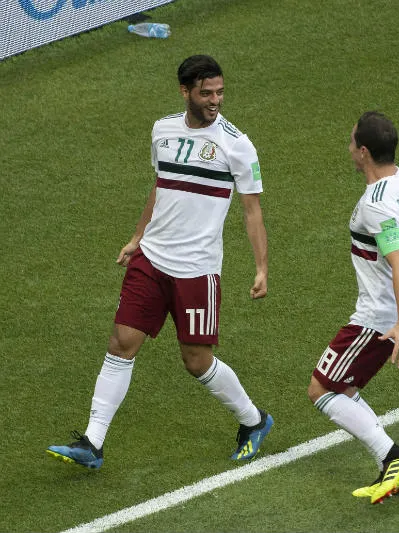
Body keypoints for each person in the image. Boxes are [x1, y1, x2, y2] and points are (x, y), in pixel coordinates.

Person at [47, 55, 273, 469]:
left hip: (197, 271)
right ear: (185, 92)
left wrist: (261, 267)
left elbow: (252, 210)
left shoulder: (236, 144)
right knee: (121, 343)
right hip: (151, 258)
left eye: (220, 92)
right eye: (206, 93)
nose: (215, 100)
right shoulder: (163, 130)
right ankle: (92, 443)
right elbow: (161, 187)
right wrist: (137, 237)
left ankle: (254, 420)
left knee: (196, 361)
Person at [307, 111, 399, 504]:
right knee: (344, 385)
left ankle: (393, 458)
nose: (348, 148)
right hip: (392, 310)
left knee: (322, 389)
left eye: (351, 142)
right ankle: (392, 462)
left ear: (363, 153)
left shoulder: (375, 204)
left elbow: (397, 261)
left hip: (378, 317)